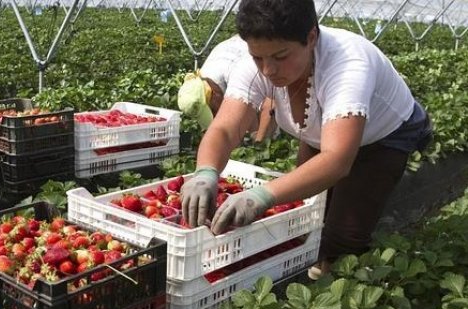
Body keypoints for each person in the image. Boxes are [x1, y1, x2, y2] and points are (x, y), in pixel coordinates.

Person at [181, 0, 433, 279]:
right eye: (258, 58)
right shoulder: (255, 64)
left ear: (311, 37)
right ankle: (304, 266)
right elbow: (225, 129)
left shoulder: (348, 65)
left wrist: (261, 195)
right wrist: (205, 172)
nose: (267, 70)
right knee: (307, 210)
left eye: (280, 56)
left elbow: (336, 161)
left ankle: (336, 282)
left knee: (343, 231)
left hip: (386, 136)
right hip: (321, 133)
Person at [177, 35, 277, 142]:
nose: (215, 115)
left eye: (213, 110)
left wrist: (259, 141)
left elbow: (271, 102)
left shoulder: (241, 73)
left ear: (215, 94)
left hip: (272, 49)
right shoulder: (203, 76)